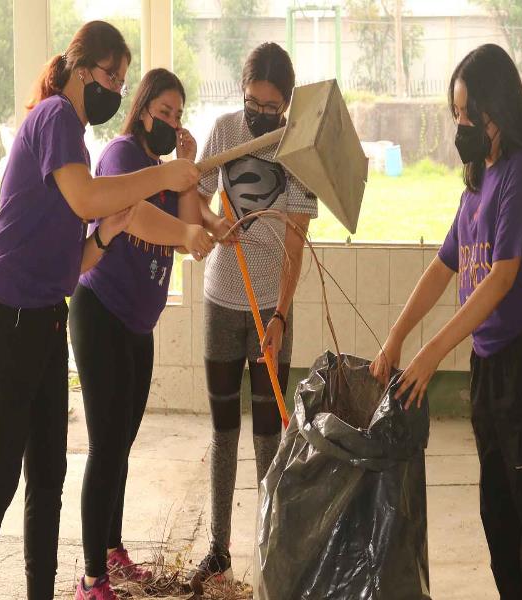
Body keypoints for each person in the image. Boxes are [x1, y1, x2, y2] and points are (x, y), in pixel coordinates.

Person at [0, 21, 203, 600]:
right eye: (111, 76)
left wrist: (111, 232)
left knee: (48, 477)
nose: (115, 89)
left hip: (45, 318)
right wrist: (162, 176)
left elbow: (78, 261)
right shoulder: (55, 118)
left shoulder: (75, 142)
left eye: (121, 79)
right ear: (80, 67)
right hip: (3, 317)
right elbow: (88, 198)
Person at [371, 44, 522, 599]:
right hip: (488, 366)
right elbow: (444, 266)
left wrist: (431, 354)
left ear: (495, 111)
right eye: (454, 113)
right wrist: (398, 333)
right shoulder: (478, 183)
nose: (458, 125)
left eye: (465, 114)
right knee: (498, 515)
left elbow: (501, 277)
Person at [69, 68, 213, 600]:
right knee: (106, 446)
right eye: (165, 112)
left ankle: (111, 551)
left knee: (121, 445)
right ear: (144, 109)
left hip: (137, 325)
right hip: (100, 313)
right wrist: (189, 232)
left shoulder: (162, 168)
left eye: (179, 116)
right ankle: (91, 579)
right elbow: (133, 218)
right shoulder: (123, 158)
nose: (171, 123)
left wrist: (190, 173)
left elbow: (194, 218)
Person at [189, 42, 318, 586]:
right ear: (242, 91)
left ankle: (269, 548)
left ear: (286, 104)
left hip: (269, 306)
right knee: (223, 430)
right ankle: (218, 549)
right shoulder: (223, 130)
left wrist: (281, 316)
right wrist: (213, 224)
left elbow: (296, 239)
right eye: (253, 101)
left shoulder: (299, 147)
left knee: (269, 432)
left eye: (272, 106)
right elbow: (192, 196)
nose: (261, 112)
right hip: (222, 296)